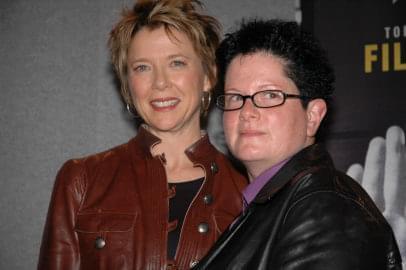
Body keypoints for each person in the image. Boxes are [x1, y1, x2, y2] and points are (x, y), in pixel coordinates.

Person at [37, 1, 247, 269]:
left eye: (177, 63)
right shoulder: (82, 180)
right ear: (127, 84)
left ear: (208, 76)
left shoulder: (247, 189)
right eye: (142, 68)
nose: (160, 83)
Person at [193, 19, 403, 269]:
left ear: (312, 116)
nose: (246, 111)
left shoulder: (324, 207)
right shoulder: (272, 207)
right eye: (236, 97)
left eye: (270, 95)